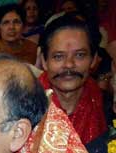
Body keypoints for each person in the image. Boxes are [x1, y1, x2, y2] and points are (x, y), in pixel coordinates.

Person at [40, 14, 106, 145]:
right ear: (44, 61)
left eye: (80, 55)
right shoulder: (25, 105)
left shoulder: (103, 104)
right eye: (58, 56)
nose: (69, 64)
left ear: (93, 60)